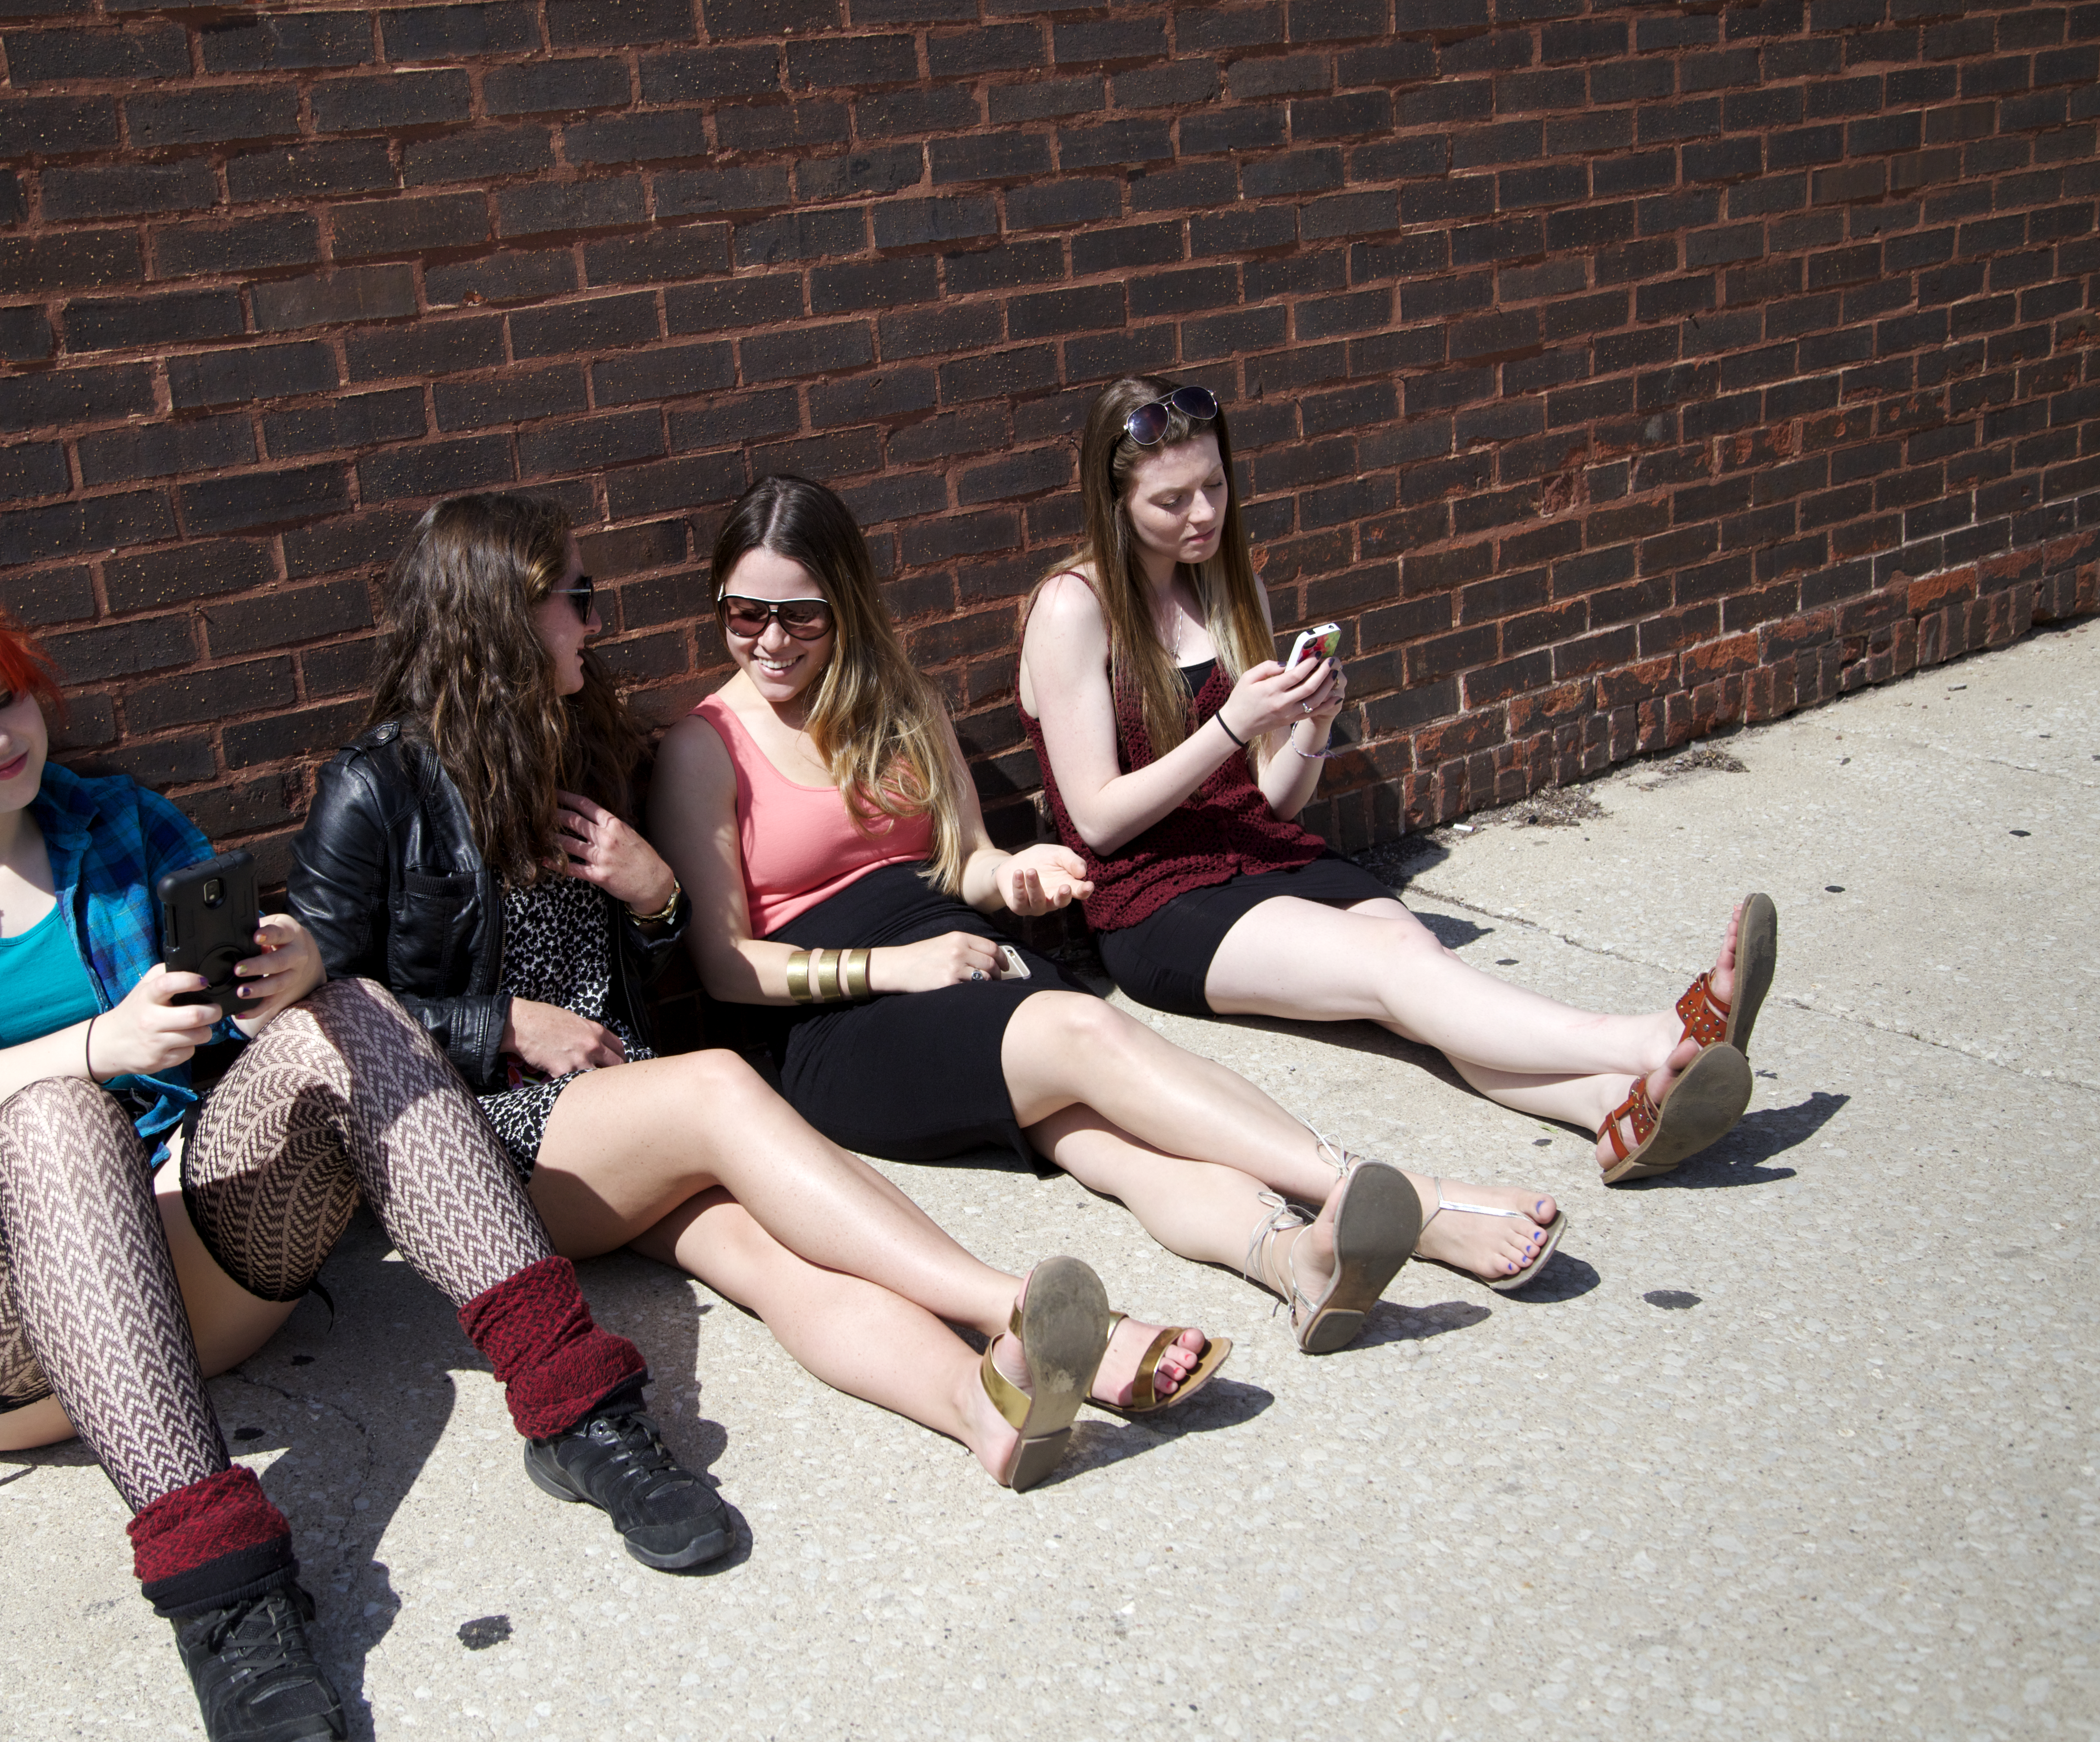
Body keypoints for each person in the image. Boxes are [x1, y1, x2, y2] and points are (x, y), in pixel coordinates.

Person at [0, 556, 728, 1742]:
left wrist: (284, 978)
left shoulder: (118, 826)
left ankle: (580, 1411)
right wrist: (96, 1048)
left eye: (4, 700)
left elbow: (241, 1025)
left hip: (175, 1280)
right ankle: (225, 1598)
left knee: (362, 1007)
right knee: (60, 1116)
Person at [286, 493, 1221, 1495]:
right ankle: (1011, 1305)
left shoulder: (578, 742)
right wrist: (500, 1020)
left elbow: (625, 970)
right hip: (475, 1147)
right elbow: (319, 1013)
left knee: (780, 1266)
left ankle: (983, 1412)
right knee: (725, 1085)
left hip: (616, 1118)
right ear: (500, 617)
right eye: (578, 599)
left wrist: (653, 900)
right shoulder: (374, 788)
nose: (597, 623)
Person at [647, 474, 1558, 1351]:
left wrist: (1014, 877)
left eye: (798, 613)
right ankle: (1408, 1198)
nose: (770, 640)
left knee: (1112, 1146)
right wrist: (896, 969)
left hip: (962, 961)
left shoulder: (901, 704)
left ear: (843, 602)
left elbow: (965, 859)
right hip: (833, 1023)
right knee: (1089, 1039)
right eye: (744, 613)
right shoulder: (705, 747)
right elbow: (725, 965)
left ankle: (1294, 1260)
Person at [1017, 375, 1776, 1201]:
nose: (1202, 515)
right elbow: (1094, 820)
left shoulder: (1229, 589)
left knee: (1421, 977)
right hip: (1156, 902)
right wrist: (1233, 723)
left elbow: (1267, 805)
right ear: (1115, 501)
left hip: (1261, 853)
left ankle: (1610, 1108)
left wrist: (1309, 727)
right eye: (1171, 501)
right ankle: (1650, 1040)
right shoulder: (1073, 608)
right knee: (1393, 969)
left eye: (1214, 486)